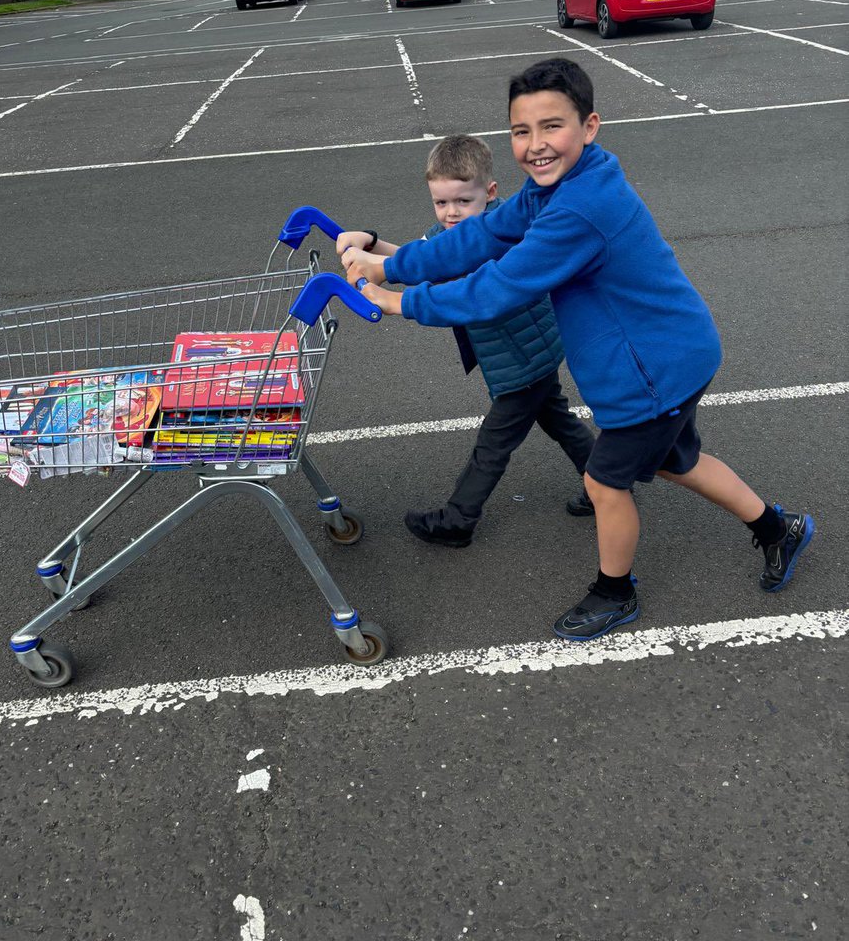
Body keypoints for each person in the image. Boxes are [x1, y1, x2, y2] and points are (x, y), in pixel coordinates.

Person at [343, 59, 814, 641]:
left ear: (589, 126)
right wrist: (389, 265)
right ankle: (778, 529)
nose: (536, 146)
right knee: (676, 460)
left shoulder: (578, 209)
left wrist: (394, 301)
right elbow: (480, 237)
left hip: (654, 369)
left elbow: (498, 286)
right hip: (676, 351)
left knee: (604, 481)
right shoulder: (556, 188)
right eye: (521, 131)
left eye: (552, 127)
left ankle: (615, 593)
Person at [336, 133, 596, 549]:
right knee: (558, 419)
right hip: (529, 351)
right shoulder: (459, 233)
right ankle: (606, 484)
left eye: (462, 201)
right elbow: (420, 255)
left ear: (489, 193)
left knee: (494, 444)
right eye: (441, 203)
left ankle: (459, 517)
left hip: (520, 357)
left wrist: (387, 288)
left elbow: (444, 277)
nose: (451, 214)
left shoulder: (492, 238)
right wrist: (371, 242)